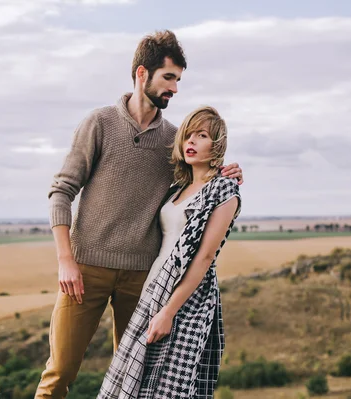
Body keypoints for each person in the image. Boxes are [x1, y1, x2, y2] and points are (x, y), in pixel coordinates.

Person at [35, 30, 243, 398]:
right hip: (86, 270)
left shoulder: (176, 141)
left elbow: (198, 183)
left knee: (134, 379)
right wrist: (65, 260)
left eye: (179, 80)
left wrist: (228, 172)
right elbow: (61, 192)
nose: (175, 89)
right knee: (60, 371)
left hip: (142, 277)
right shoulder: (99, 123)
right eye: (169, 78)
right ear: (142, 74)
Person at [98, 106, 240, 398]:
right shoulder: (178, 187)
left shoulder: (223, 191)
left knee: (166, 387)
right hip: (154, 288)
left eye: (201, 135)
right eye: (188, 135)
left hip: (187, 301)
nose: (191, 141)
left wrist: (169, 312)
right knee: (130, 379)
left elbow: (203, 259)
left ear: (218, 144)